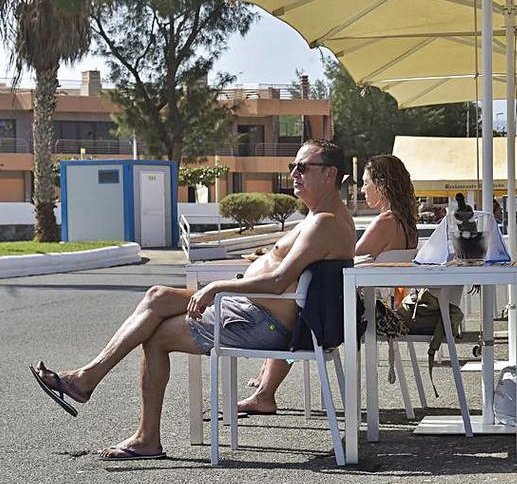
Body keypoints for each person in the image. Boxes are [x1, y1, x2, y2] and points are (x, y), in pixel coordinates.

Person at [29, 140, 356, 460]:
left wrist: (215, 287)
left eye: (303, 167)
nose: (294, 174)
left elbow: (278, 280)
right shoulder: (322, 217)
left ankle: (132, 425)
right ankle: (88, 382)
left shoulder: (325, 223)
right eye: (292, 166)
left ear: (330, 175)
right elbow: (280, 273)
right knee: (156, 296)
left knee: (156, 336)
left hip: (262, 319)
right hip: (252, 308)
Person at [239, 154, 418, 415]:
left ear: (382, 184)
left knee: (297, 311)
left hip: (361, 310)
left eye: (367, 183)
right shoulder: (407, 224)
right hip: (376, 307)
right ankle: (266, 385)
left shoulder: (385, 222)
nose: (364, 189)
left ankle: (266, 391)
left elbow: (344, 256)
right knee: (299, 304)